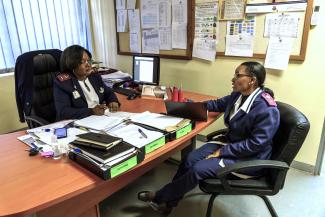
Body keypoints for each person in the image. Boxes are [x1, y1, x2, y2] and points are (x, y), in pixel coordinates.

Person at [137, 61, 280, 215]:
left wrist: (222, 151)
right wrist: (186, 107)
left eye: (238, 75)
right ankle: (170, 202)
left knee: (198, 169)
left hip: (249, 157)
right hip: (231, 143)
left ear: (252, 80)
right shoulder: (238, 96)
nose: (233, 79)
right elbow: (216, 104)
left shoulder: (267, 109)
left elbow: (255, 144)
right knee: (190, 159)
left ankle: (160, 197)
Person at [53, 45, 120, 120]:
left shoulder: (94, 76)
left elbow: (108, 92)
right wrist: (91, 111)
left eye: (89, 61)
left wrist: (113, 101)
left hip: (100, 119)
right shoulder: (63, 83)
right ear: (71, 64)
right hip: (77, 122)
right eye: (83, 62)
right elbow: (63, 112)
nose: (88, 65)